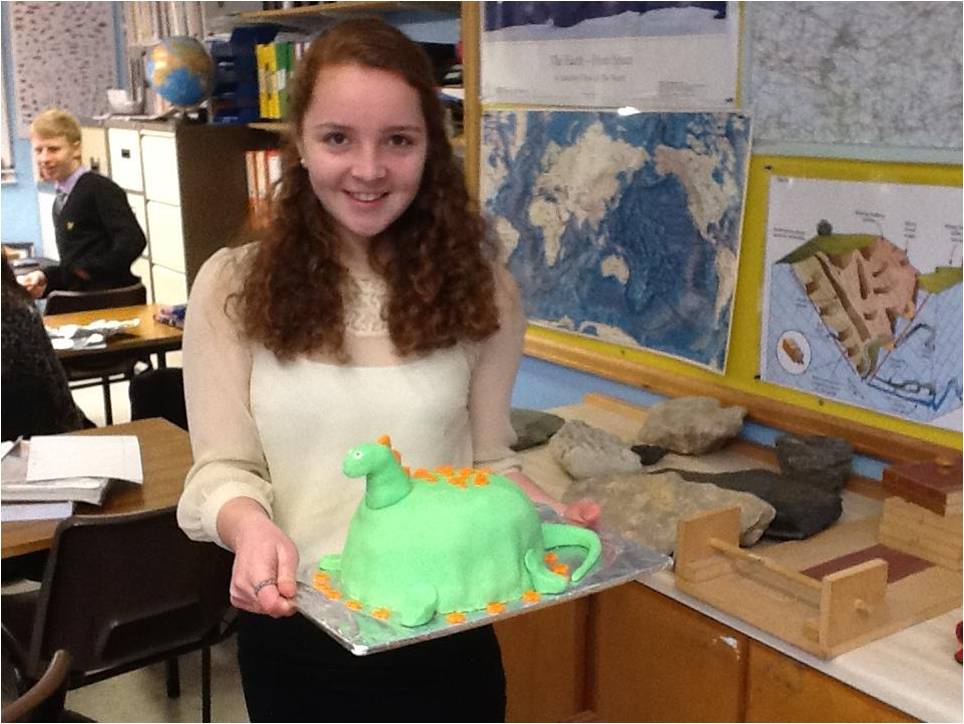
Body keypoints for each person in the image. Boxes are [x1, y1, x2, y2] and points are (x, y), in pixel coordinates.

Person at [176, 18, 598, 722]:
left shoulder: (483, 290)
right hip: (297, 635)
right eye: (338, 138)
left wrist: (544, 513)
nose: (368, 169)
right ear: (300, 143)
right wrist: (248, 528)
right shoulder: (231, 288)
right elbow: (223, 469)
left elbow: (486, 461)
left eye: (398, 140)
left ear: (430, 146)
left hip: (446, 635)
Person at [19, 108, 146, 299]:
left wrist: (91, 271)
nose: (44, 158)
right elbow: (73, 266)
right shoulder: (60, 201)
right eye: (39, 150)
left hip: (109, 298)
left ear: (76, 149)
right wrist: (45, 278)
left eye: (54, 149)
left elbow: (133, 241)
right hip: (81, 297)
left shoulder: (99, 188)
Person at [1, 251, 88, 440]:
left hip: (28, 434)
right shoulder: (17, 305)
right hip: (39, 433)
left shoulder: (15, 308)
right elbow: (52, 379)